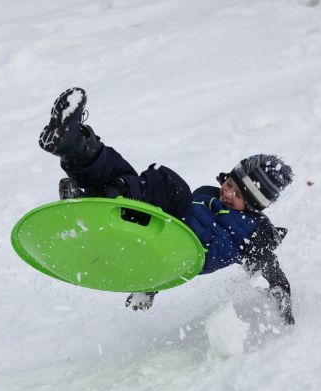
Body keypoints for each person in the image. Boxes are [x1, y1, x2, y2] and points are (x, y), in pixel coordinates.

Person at [38, 87, 295, 324]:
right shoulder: (208, 196)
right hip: (156, 228)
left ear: (253, 205)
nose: (227, 192)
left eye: (237, 194)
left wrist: (283, 302)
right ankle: (73, 147)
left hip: (181, 249)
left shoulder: (253, 233)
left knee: (170, 185)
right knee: (124, 173)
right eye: (229, 183)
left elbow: (268, 269)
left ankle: (102, 195)